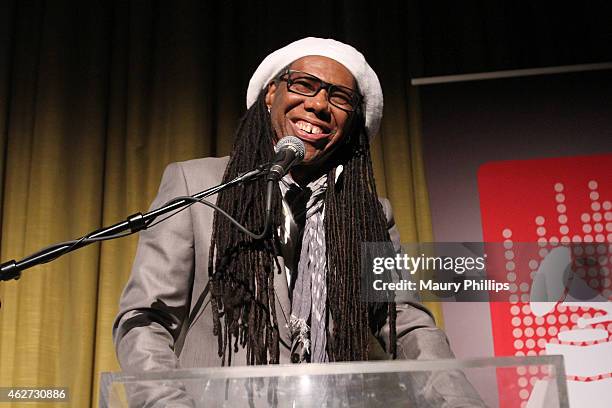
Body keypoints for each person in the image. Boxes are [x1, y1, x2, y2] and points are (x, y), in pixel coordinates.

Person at [113, 37, 484, 406]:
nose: (319, 104)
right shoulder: (197, 188)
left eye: (340, 98)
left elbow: (405, 325)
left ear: (352, 123)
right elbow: (146, 319)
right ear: (271, 93)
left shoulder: (368, 216)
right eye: (305, 85)